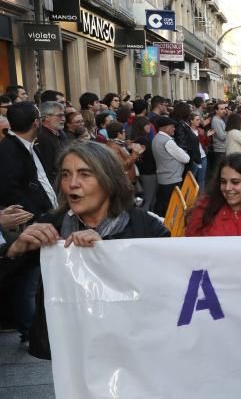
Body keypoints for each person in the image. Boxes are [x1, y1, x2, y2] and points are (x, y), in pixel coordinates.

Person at [0, 141, 169, 359]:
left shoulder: (145, 226)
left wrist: (107, 253)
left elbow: (166, 288)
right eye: (65, 174)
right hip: (70, 349)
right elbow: (8, 286)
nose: (72, 184)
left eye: (85, 174)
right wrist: (15, 250)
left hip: (131, 345)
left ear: (109, 181)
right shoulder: (52, 225)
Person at [185, 153, 241, 237]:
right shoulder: (205, 208)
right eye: (223, 182)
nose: (227, 188)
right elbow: (190, 245)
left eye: (235, 182)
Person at [0, 102, 59, 217]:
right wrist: (36, 216)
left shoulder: (31, 145)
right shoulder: (8, 150)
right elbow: (10, 192)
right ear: (36, 123)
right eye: (41, 118)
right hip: (35, 223)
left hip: (50, 216)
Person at [150, 116, 190, 217]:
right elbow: (186, 158)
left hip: (164, 177)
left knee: (163, 205)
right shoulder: (167, 141)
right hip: (172, 178)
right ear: (165, 128)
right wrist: (182, 151)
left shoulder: (156, 138)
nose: (174, 129)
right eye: (172, 126)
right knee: (172, 207)